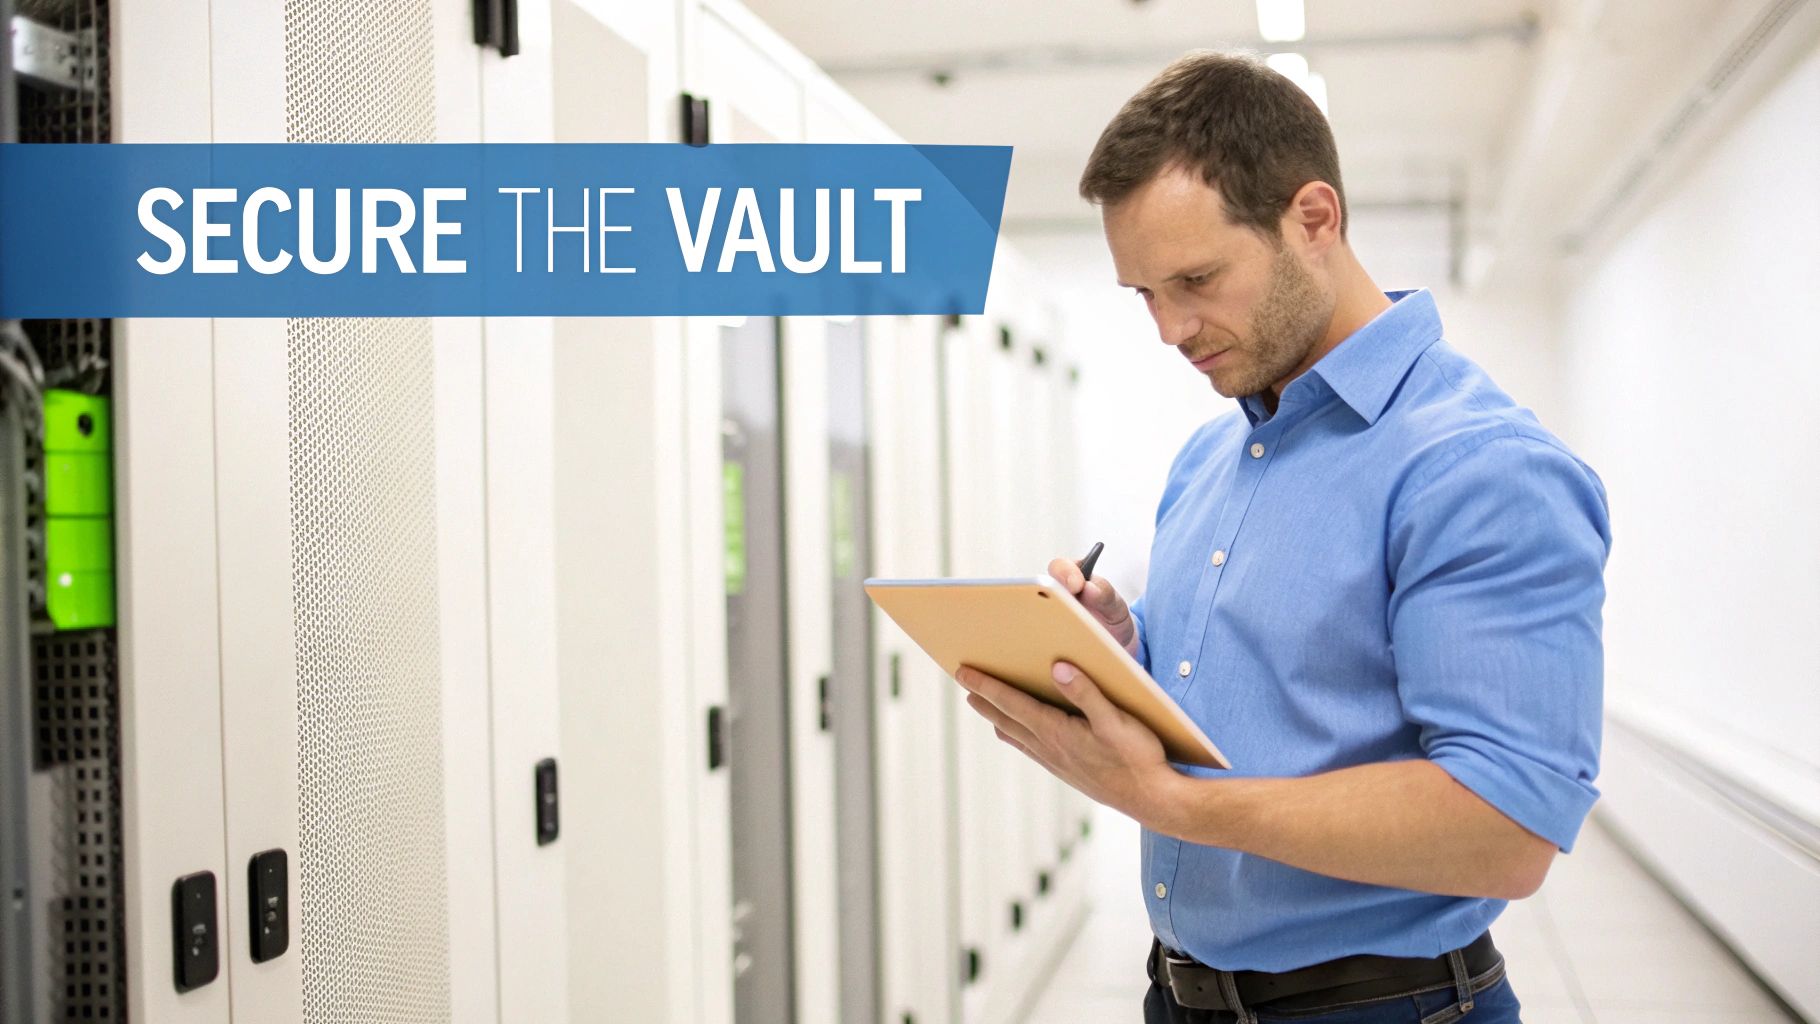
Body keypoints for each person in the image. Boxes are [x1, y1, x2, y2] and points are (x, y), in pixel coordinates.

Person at [954, 50, 1610, 1024]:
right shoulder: (1211, 457)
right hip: (1179, 997)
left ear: (1312, 219)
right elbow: (1257, 696)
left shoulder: (1477, 466)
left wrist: (1168, 803)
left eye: (1195, 278)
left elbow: (1503, 828)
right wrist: (1119, 647)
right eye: (1142, 293)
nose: (1170, 328)